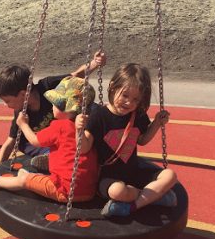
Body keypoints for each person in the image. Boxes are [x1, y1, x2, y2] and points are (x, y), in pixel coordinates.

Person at [0, 76, 99, 203]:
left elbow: (34, 140)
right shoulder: (85, 128)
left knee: (23, 180)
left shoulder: (60, 126)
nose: (52, 106)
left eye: (55, 104)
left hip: (65, 191)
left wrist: (23, 125)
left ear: (65, 108)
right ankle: (47, 162)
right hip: (89, 191)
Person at [76, 63, 177, 217]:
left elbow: (142, 140)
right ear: (112, 87)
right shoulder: (99, 116)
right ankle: (152, 196)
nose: (129, 103)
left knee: (170, 175)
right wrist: (79, 130)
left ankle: (132, 206)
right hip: (108, 177)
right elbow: (83, 148)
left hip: (133, 171)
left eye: (136, 99)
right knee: (117, 191)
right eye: (125, 96)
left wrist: (156, 123)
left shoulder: (137, 115)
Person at [0, 50, 106, 167]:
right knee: (25, 142)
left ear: (23, 94)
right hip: (40, 142)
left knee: (90, 108)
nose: (5, 105)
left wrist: (95, 63)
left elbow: (75, 76)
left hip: (60, 135)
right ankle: (48, 157)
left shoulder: (47, 85)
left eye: (7, 101)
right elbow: (11, 141)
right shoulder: (21, 114)